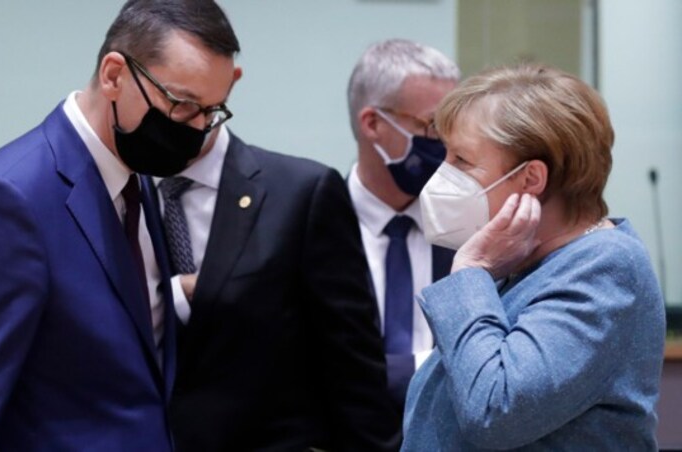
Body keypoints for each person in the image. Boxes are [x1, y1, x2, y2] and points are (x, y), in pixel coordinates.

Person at [0, 1, 242, 450]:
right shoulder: (11, 200)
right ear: (113, 75)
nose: (197, 129)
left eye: (212, 111)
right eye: (182, 106)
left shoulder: (137, 175)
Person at [161, 16, 397, 452]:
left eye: (200, 104)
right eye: (177, 101)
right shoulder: (115, 193)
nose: (191, 121)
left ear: (229, 84)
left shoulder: (301, 195)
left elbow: (353, 371)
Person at [401, 64, 666, 450]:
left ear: (531, 180)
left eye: (462, 160)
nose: (442, 175)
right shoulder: (527, 260)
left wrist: (471, 272)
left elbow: (496, 409)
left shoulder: (605, 267)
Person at [345, 39, 459, 420]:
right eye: (432, 126)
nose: (445, 145)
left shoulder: (472, 229)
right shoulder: (308, 225)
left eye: (452, 128)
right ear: (373, 123)